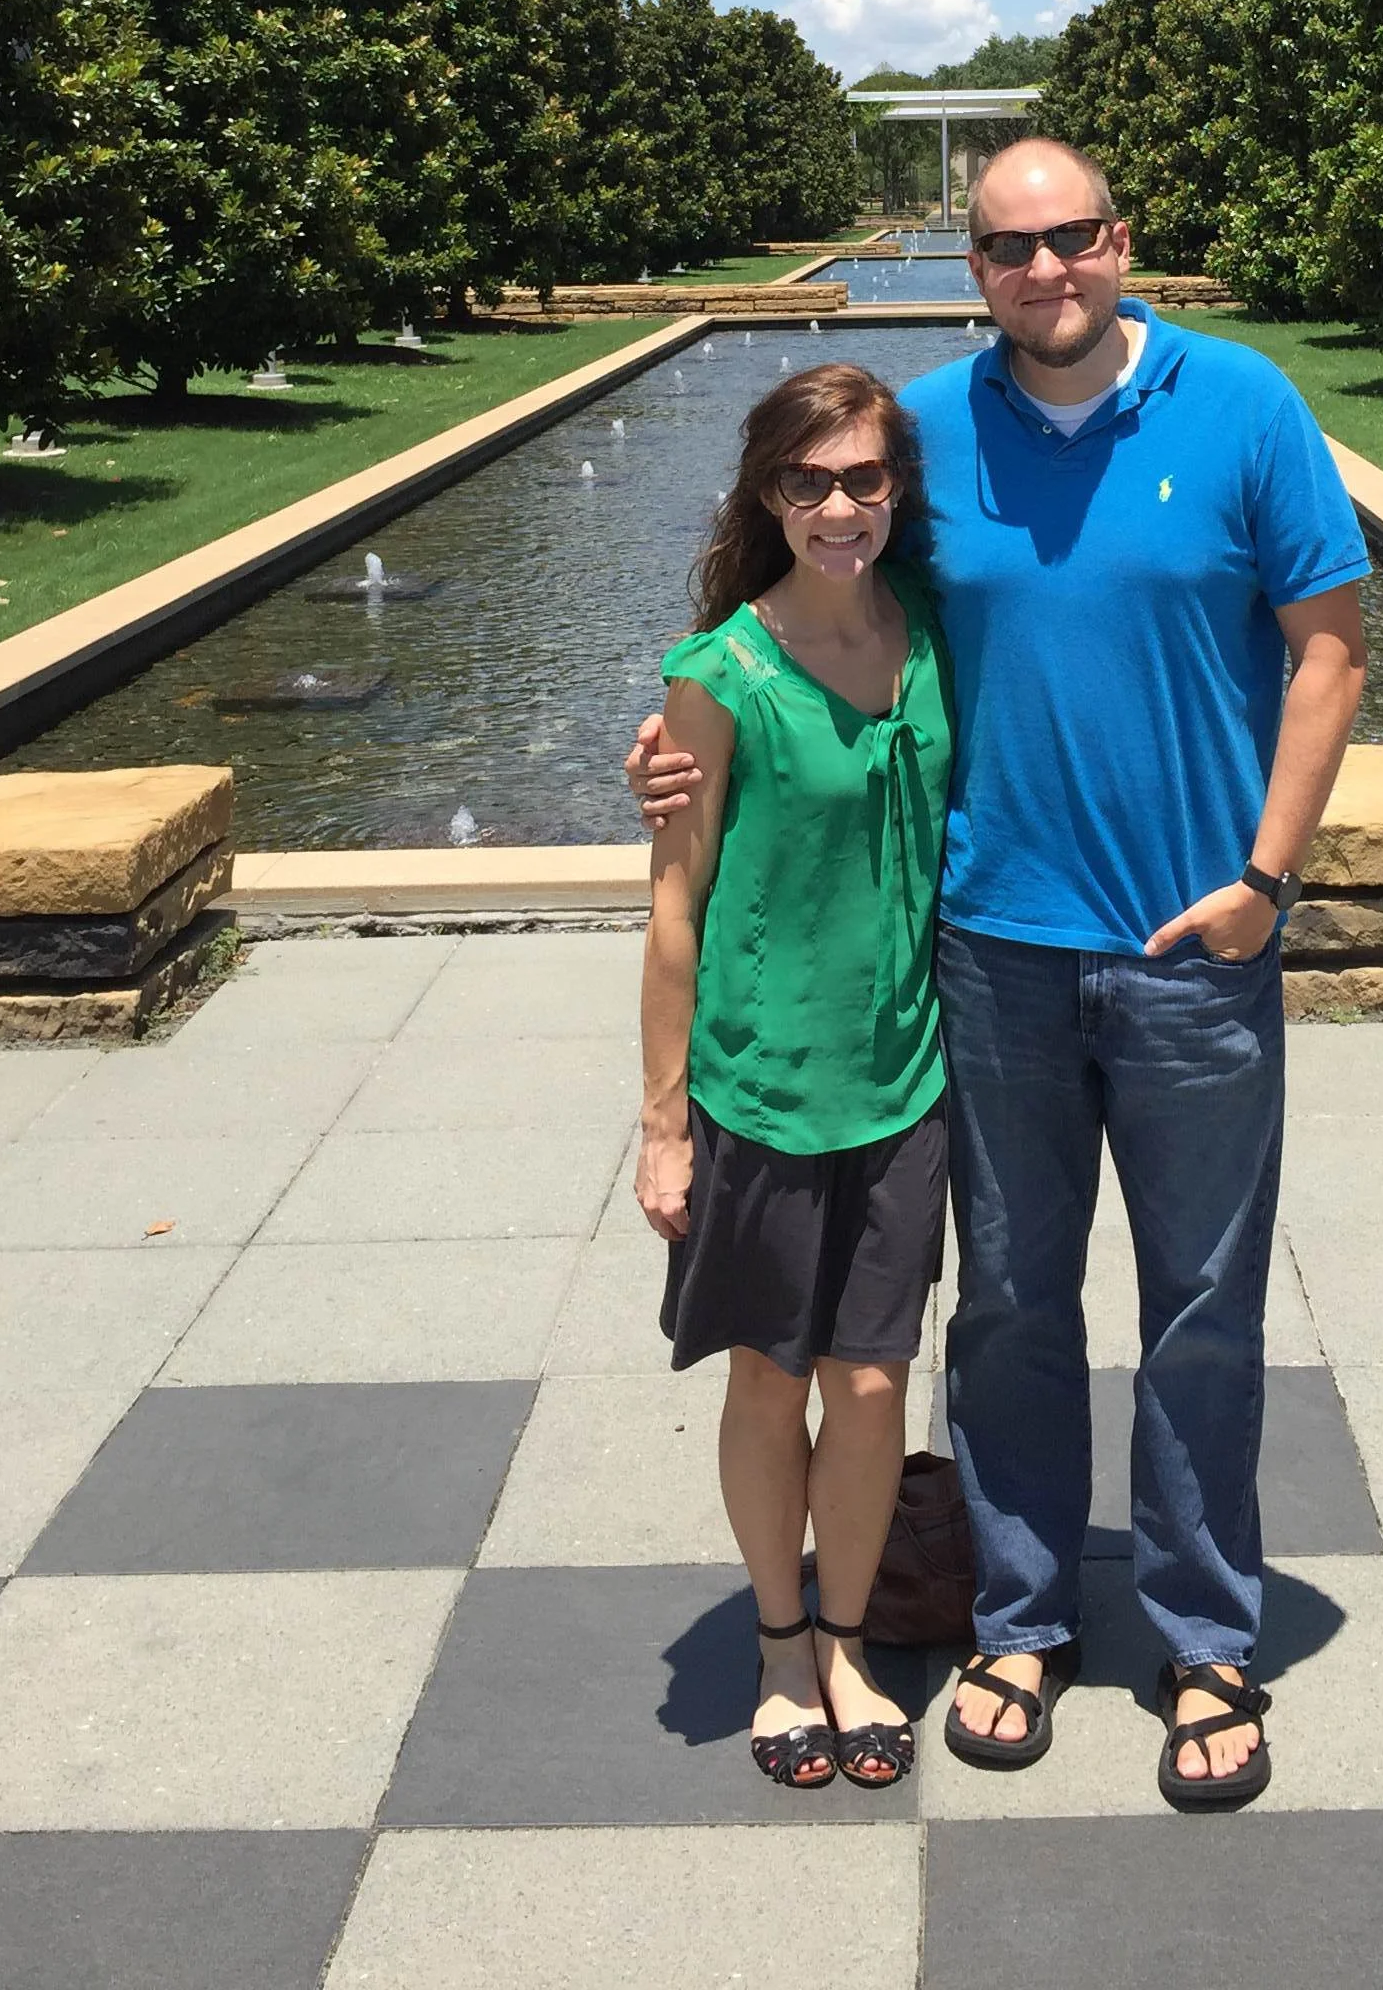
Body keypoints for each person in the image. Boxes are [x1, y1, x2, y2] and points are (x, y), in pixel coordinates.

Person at [631, 139, 1368, 1809]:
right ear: (973, 266)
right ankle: (1023, 1621)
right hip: (996, 957)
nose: (1046, 270)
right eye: (1008, 246)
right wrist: (682, 745)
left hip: (1195, 956)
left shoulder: (1245, 408)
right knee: (1015, 1311)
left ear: (1122, 241)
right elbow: (802, 611)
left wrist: (1267, 881)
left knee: (1200, 1314)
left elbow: (1330, 651)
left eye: (1073, 237)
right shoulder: (930, 434)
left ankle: (1202, 1638)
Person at [635, 359, 951, 1795]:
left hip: (905, 1083)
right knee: (772, 1379)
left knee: (875, 1383)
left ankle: (845, 1644)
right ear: (770, 495)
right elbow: (674, 911)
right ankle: (776, 1648)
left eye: (865, 478)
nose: (840, 506)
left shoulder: (935, 636)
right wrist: (662, 1129)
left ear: (899, 488)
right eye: (809, 482)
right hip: (760, 1090)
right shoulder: (718, 678)